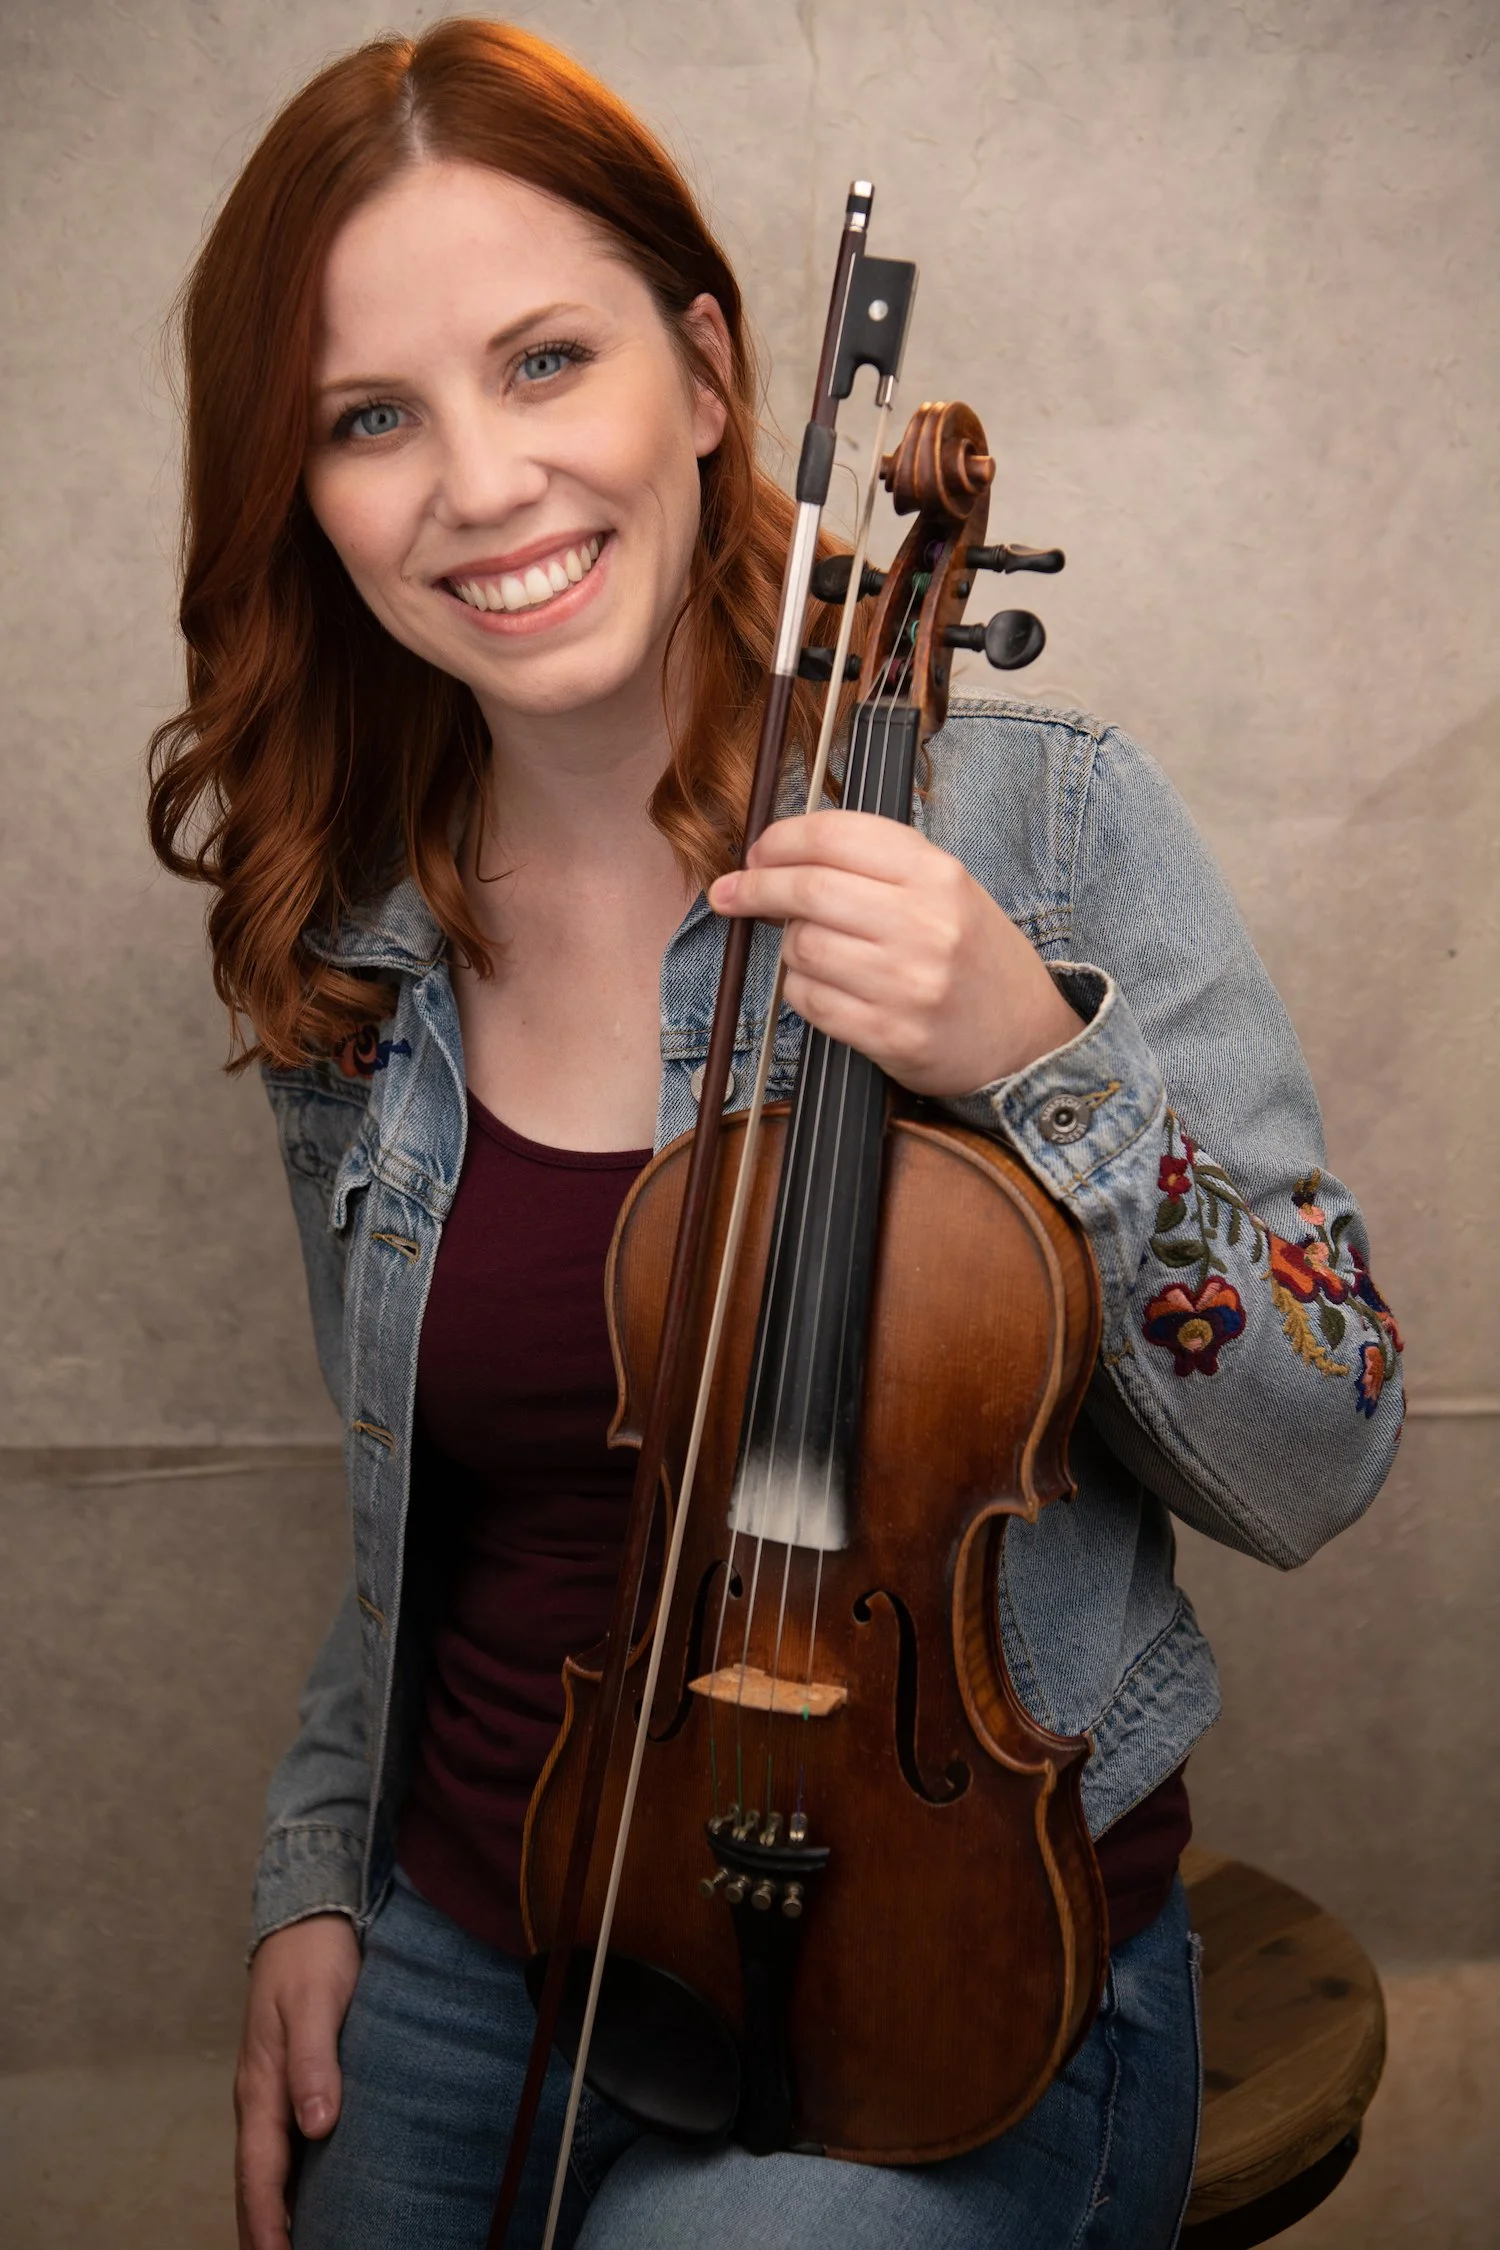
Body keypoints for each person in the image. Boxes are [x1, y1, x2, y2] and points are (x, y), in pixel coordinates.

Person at [148, 19, 1404, 2250]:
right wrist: (311, 1877)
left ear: (712, 372)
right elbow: (402, 1524)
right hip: (474, 1926)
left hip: (951, 1969)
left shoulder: (1047, 816)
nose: (481, 485)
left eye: (546, 362)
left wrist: (1034, 1059)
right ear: (304, 489)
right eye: (370, 417)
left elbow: (1327, 1452)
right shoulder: (357, 939)